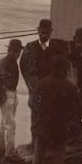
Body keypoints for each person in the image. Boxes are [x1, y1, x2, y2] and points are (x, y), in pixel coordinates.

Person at [28, 54, 82, 164]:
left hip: (43, 127)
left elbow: (32, 103)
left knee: (38, 157)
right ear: (64, 69)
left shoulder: (42, 83)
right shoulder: (70, 86)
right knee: (58, 160)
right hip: (61, 129)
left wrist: (41, 114)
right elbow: (78, 109)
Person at [20, 19, 59, 147]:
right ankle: (34, 141)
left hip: (52, 89)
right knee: (35, 114)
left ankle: (49, 141)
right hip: (35, 88)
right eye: (42, 32)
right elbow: (23, 66)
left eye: (46, 33)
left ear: (51, 32)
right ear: (38, 31)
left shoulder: (56, 48)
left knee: (51, 114)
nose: (44, 35)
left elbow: (62, 69)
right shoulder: (30, 47)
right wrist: (30, 84)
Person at [0, 39, 23, 160]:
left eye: (18, 51)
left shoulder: (11, 62)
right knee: (10, 124)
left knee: (4, 123)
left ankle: (1, 147)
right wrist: (3, 97)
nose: (17, 54)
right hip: (6, 95)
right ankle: (10, 152)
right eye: (14, 51)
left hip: (12, 93)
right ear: (9, 50)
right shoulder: (4, 63)